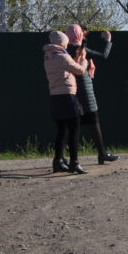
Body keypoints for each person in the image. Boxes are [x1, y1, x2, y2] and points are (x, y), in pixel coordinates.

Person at [66, 24, 118, 165]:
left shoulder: (65, 50)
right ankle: (102, 154)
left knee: (71, 125)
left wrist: (83, 37)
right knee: (93, 121)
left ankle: (67, 158)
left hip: (71, 89)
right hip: (85, 89)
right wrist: (108, 40)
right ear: (79, 35)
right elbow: (104, 55)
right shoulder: (82, 50)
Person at [43, 30, 89, 175]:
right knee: (74, 130)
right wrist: (83, 59)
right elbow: (80, 71)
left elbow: (66, 67)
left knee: (61, 131)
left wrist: (74, 59)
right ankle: (74, 162)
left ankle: (58, 161)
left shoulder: (49, 56)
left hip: (55, 97)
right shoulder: (63, 56)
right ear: (62, 43)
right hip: (68, 96)